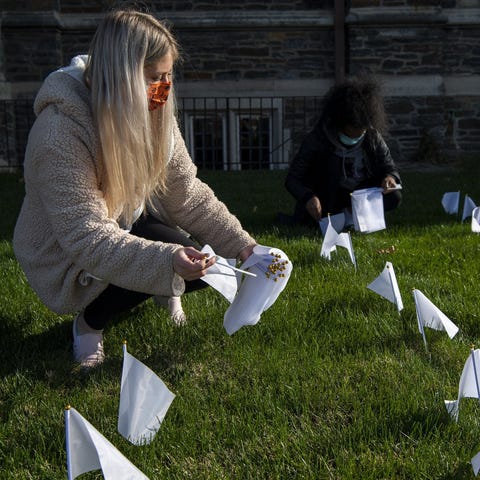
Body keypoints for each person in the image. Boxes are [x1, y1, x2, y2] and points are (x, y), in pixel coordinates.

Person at [13, 8, 256, 369]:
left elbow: (185, 193)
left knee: (203, 266)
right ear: (122, 76)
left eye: (169, 74)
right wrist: (164, 261)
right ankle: (89, 324)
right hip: (64, 249)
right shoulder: (59, 134)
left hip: (124, 216)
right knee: (171, 264)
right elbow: (86, 237)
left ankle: (156, 287)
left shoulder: (151, 108)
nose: (165, 88)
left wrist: (243, 245)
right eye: (155, 77)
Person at [280, 76, 402, 228]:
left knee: (393, 197)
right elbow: (292, 179)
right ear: (340, 124)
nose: (357, 135)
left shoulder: (372, 136)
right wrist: (308, 197)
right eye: (352, 130)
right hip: (329, 194)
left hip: (358, 194)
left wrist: (390, 178)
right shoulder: (317, 139)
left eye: (362, 131)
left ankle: (354, 217)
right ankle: (338, 218)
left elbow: (389, 166)